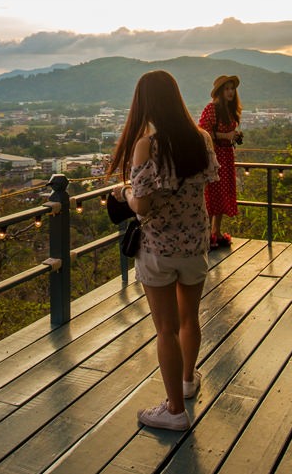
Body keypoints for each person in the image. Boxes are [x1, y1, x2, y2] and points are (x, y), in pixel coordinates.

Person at [108, 70, 218, 431]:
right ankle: (187, 380)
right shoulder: (201, 140)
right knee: (190, 318)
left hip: (158, 248)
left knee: (165, 329)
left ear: (146, 104)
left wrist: (123, 194)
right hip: (195, 244)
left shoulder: (148, 146)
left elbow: (142, 206)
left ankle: (173, 410)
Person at [197, 74, 242, 250]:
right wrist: (226, 135)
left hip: (227, 155)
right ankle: (207, 234)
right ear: (220, 91)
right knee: (212, 193)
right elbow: (203, 133)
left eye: (232, 89)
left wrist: (234, 137)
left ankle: (217, 231)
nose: (230, 92)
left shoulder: (230, 110)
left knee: (223, 193)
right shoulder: (211, 109)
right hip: (215, 157)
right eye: (227, 89)